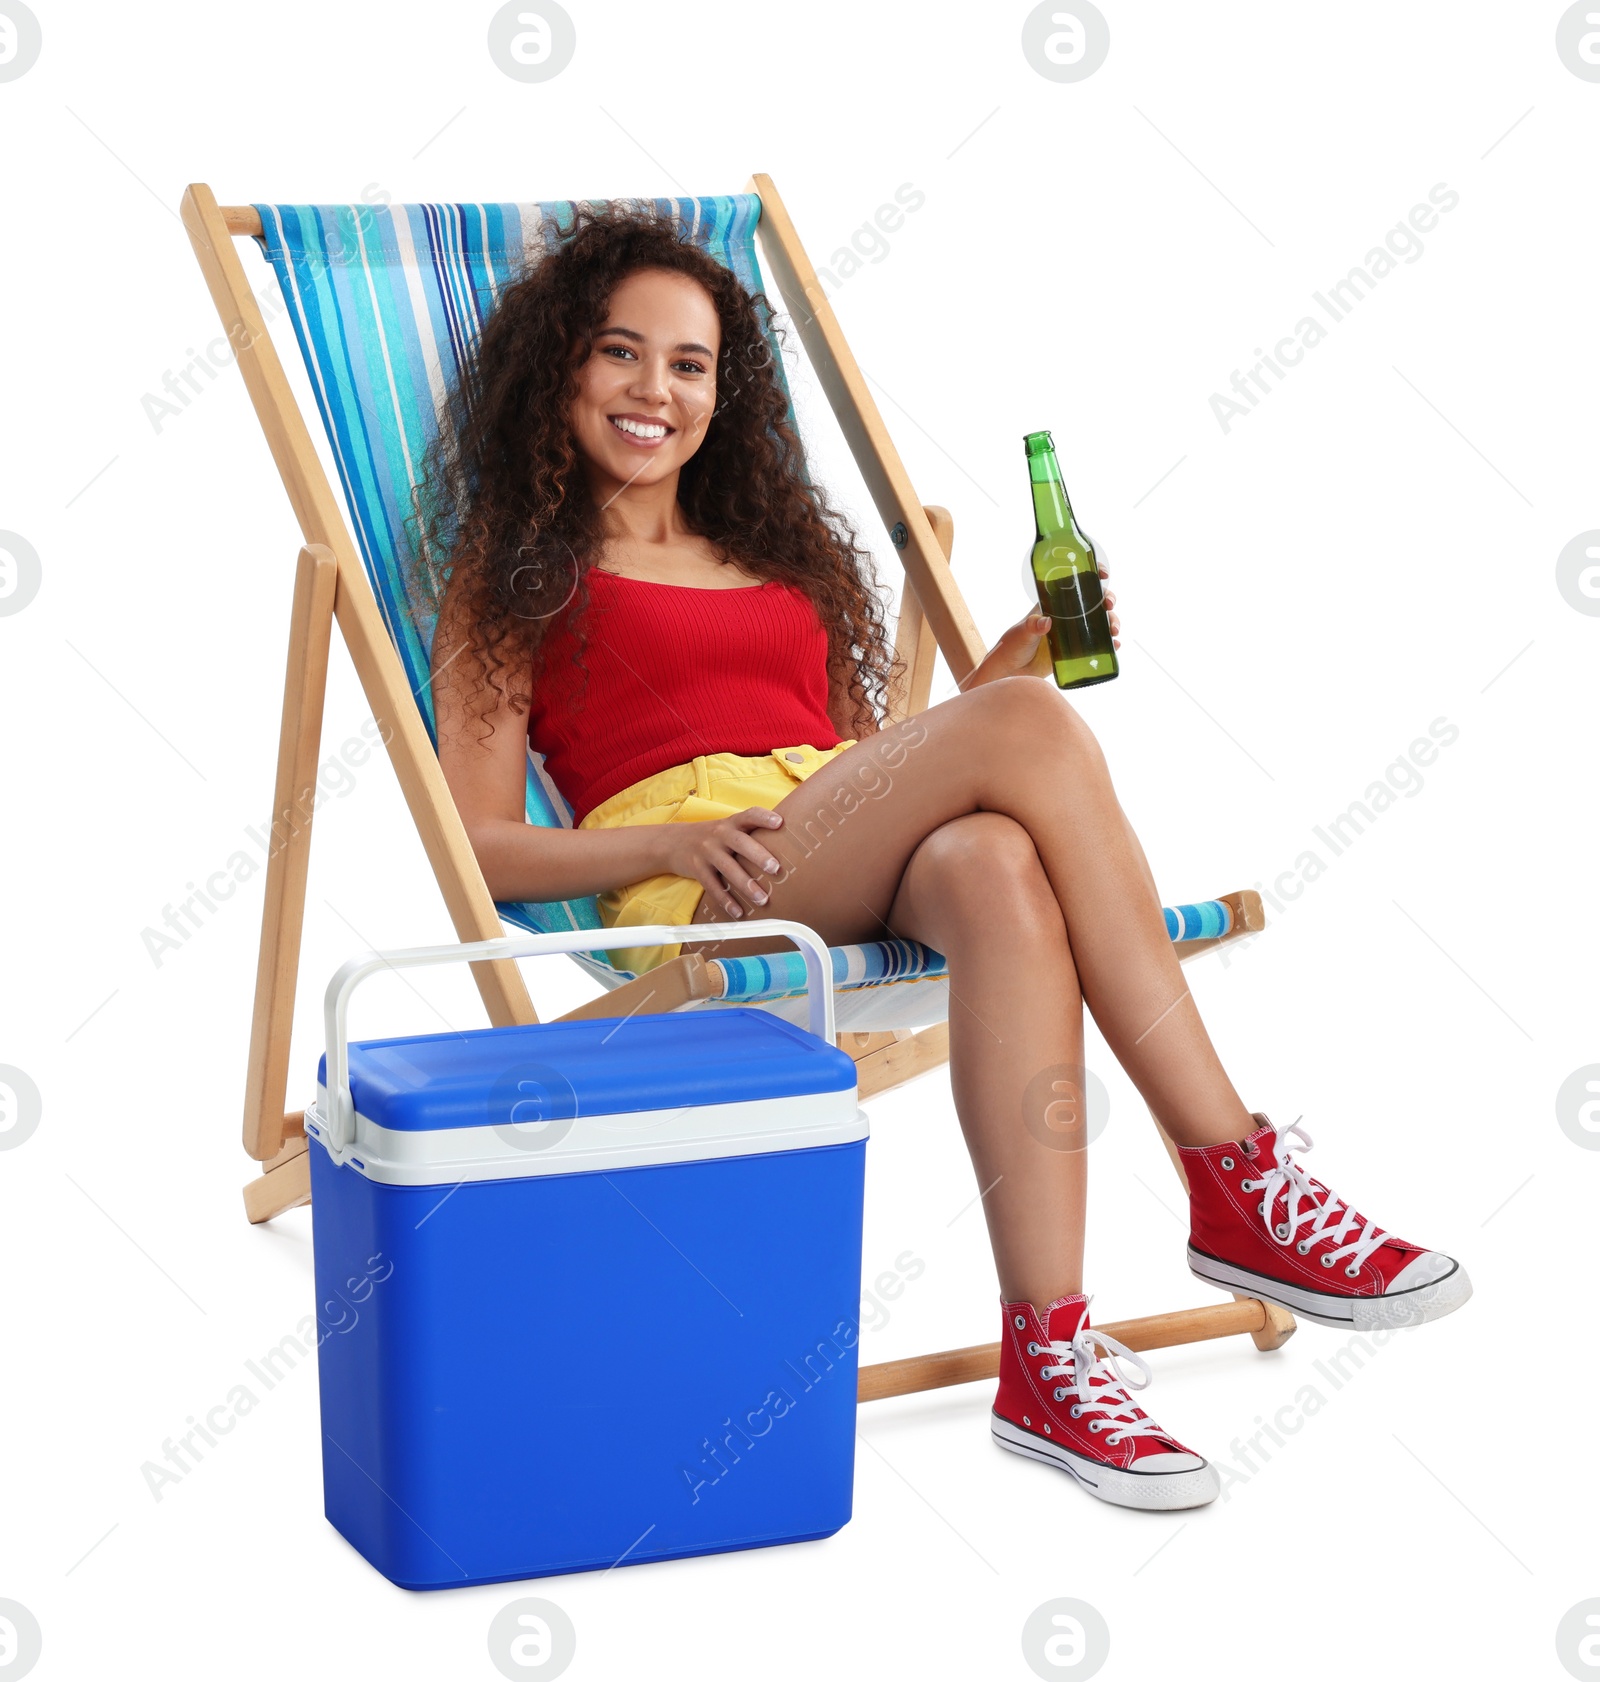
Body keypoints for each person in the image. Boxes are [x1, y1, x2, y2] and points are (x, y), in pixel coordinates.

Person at [418, 204, 1470, 1514]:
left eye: (689, 365)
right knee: (1023, 740)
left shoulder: (771, 556)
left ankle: (1046, 1358)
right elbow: (477, 845)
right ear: (558, 365)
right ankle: (1234, 1173)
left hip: (825, 831)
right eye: (621, 352)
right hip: (711, 886)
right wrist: (670, 836)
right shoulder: (512, 568)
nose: (657, 390)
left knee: (991, 866)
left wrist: (999, 675)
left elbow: (880, 771)